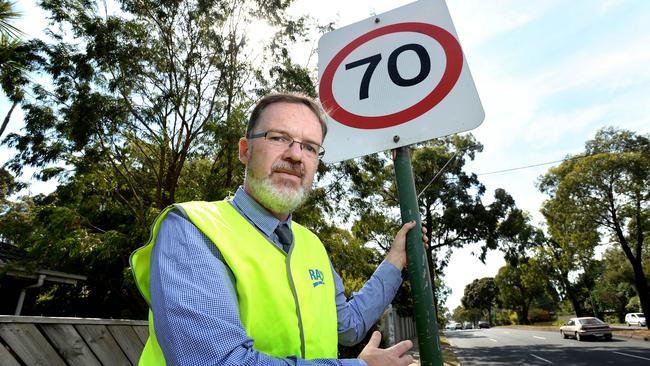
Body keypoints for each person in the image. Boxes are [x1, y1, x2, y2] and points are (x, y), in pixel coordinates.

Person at [131, 93, 425, 366]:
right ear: (245, 151)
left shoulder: (312, 245)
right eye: (279, 138)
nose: (296, 155)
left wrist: (395, 261)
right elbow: (218, 360)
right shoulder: (192, 228)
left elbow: (348, 326)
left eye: (310, 147)